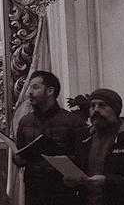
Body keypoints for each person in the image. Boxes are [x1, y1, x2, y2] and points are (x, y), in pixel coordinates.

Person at [65, 88, 124, 205]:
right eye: (92, 106)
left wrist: (108, 181)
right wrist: (74, 181)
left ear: (115, 110)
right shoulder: (85, 140)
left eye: (102, 105)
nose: (96, 110)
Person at [13, 71, 86, 205]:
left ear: (50, 90)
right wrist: (17, 158)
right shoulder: (25, 121)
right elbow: (20, 154)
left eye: (35, 87)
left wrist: (57, 158)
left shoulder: (73, 121)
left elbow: (83, 158)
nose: (29, 92)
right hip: (33, 187)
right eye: (29, 87)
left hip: (62, 188)